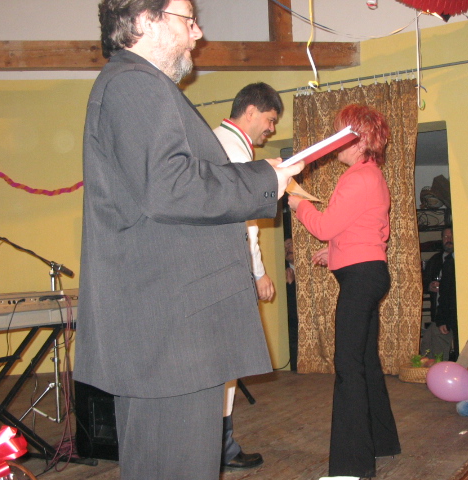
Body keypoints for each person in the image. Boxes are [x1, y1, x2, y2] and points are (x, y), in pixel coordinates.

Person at [74, 1, 303, 479]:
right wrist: (263, 180)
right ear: (145, 20)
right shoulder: (134, 84)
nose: (197, 33)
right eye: (188, 20)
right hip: (170, 339)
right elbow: (170, 187)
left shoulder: (137, 85)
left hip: (172, 333)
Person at [288, 104, 400, 480]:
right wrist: (334, 252)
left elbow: (324, 226)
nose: (334, 141)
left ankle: (352, 466)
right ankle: (382, 442)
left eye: (340, 133)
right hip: (368, 272)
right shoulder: (371, 175)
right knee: (365, 362)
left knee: (348, 367)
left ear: (359, 138)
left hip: (361, 279)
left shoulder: (357, 178)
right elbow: (370, 231)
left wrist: (299, 204)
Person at [213, 81, 283, 470]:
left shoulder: (212, 140)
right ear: (251, 111)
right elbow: (245, 222)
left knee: (220, 365)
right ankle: (221, 450)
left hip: (212, 269)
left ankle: (218, 447)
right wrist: (258, 272)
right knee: (227, 363)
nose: (271, 129)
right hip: (230, 271)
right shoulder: (236, 151)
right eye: (270, 120)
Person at [420, 226, 457, 361]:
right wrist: (429, 286)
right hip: (438, 312)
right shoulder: (435, 260)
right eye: (445, 237)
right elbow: (423, 282)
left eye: (451, 236)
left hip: (453, 313)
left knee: (446, 349)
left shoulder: (459, 260)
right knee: (429, 343)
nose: (449, 239)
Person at [284, 237, 299, 371]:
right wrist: (290, 284)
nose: (287, 249)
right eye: (284, 248)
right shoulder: (282, 270)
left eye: (289, 245)